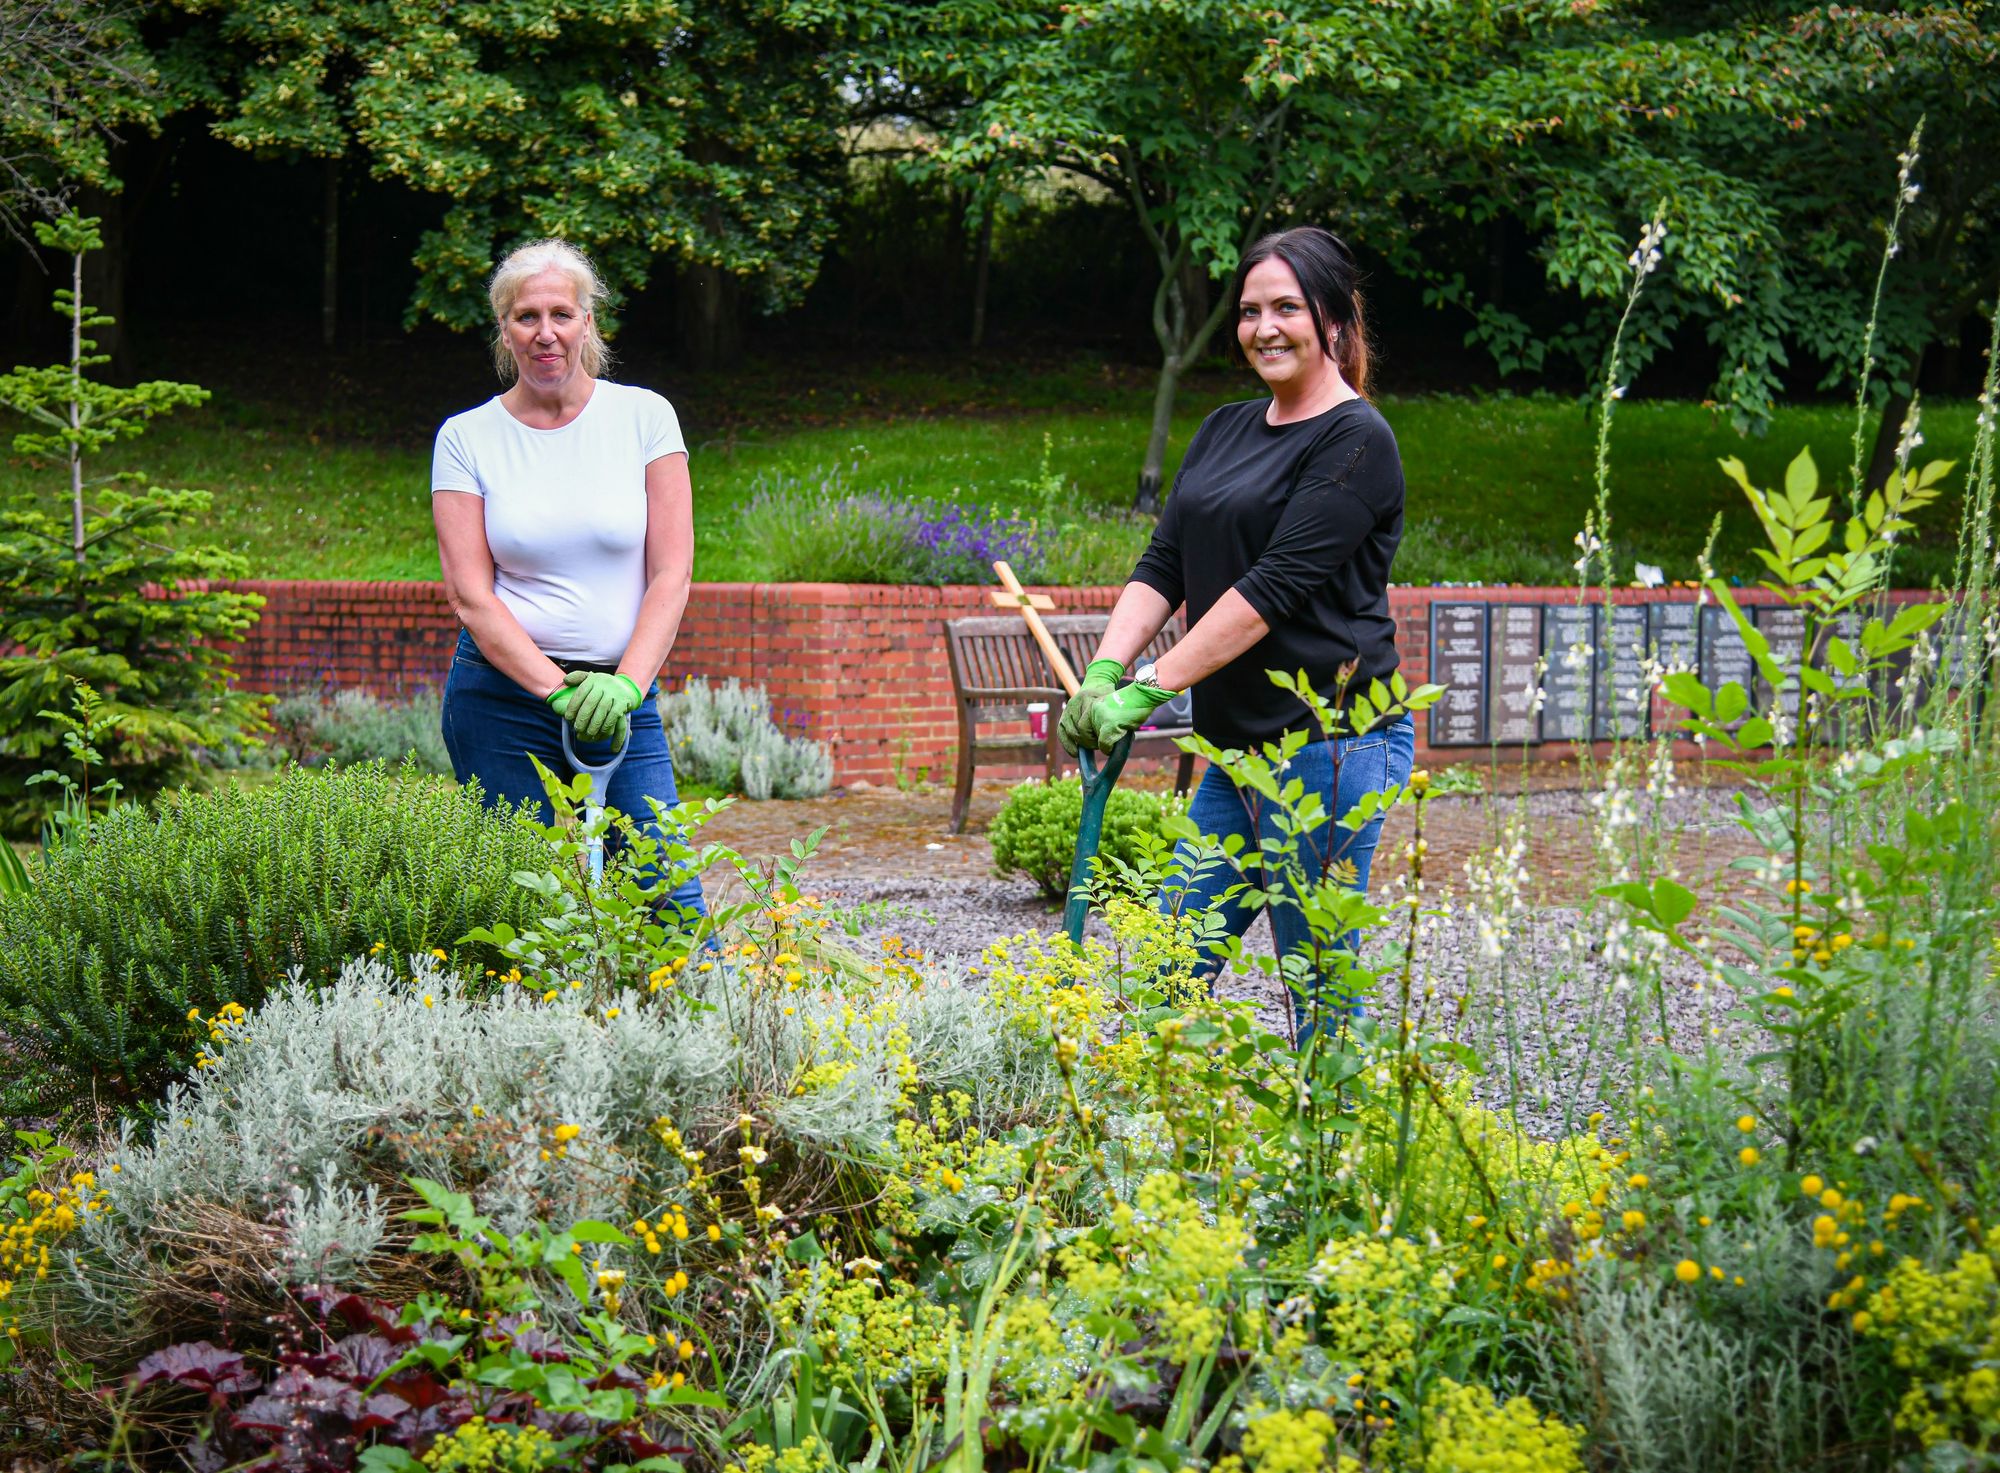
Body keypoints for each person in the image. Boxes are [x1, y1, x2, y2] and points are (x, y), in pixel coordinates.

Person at [1057, 225, 1413, 1039]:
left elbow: (1268, 593)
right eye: (1250, 311)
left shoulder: (1358, 441)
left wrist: (1151, 687)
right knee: (1166, 975)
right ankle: (1158, 1155)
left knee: (1317, 989)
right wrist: (1106, 672)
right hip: (1234, 753)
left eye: (1286, 307)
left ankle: (1331, 1158)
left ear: (1333, 319)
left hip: (1331, 748)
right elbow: (1165, 562)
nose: (1264, 328)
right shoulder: (1223, 428)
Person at [431, 238, 706, 921]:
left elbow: (671, 572)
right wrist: (556, 692)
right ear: (504, 329)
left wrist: (625, 686)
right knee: (523, 908)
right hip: (501, 703)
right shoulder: (467, 439)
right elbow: (471, 594)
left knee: (666, 895)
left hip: (622, 695)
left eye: (561, 313)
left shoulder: (645, 418)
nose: (545, 332)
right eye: (526, 316)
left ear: (589, 322)